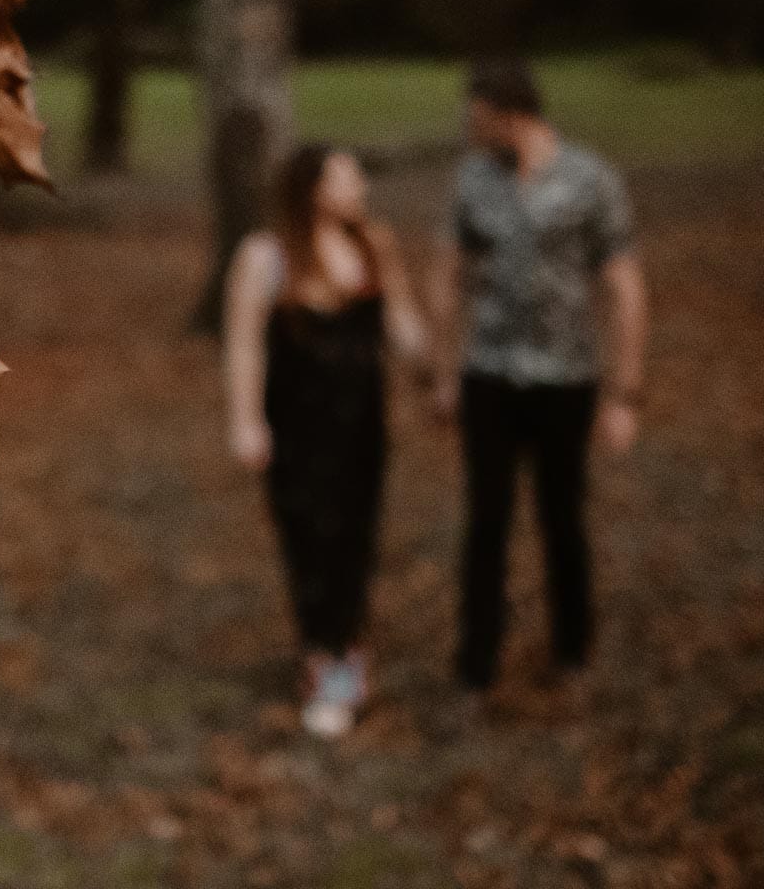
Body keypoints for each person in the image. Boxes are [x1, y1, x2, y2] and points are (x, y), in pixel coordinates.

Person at [431, 56, 648, 694]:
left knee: (562, 516)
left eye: (476, 117)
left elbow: (626, 288)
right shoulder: (473, 180)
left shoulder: (590, 180)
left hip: (567, 377)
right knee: (486, 520)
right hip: (490, 375)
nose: (468, 129)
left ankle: (572, 650)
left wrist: (625, 393)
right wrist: (444, 372)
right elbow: (445, 273)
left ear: (509, 115)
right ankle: (477, 663)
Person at [223, 145, 429, 738]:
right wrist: (245, 421)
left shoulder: (373, 245)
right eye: (347, 177)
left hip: (362, 426)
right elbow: (244, 345)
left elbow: (402, 324)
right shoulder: (266, 257)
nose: (360, 185)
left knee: (356, 537)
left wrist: (439, 374)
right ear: (313, 188)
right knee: (311, 539)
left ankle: (349, 653)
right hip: (296, 430)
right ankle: (323, 657)